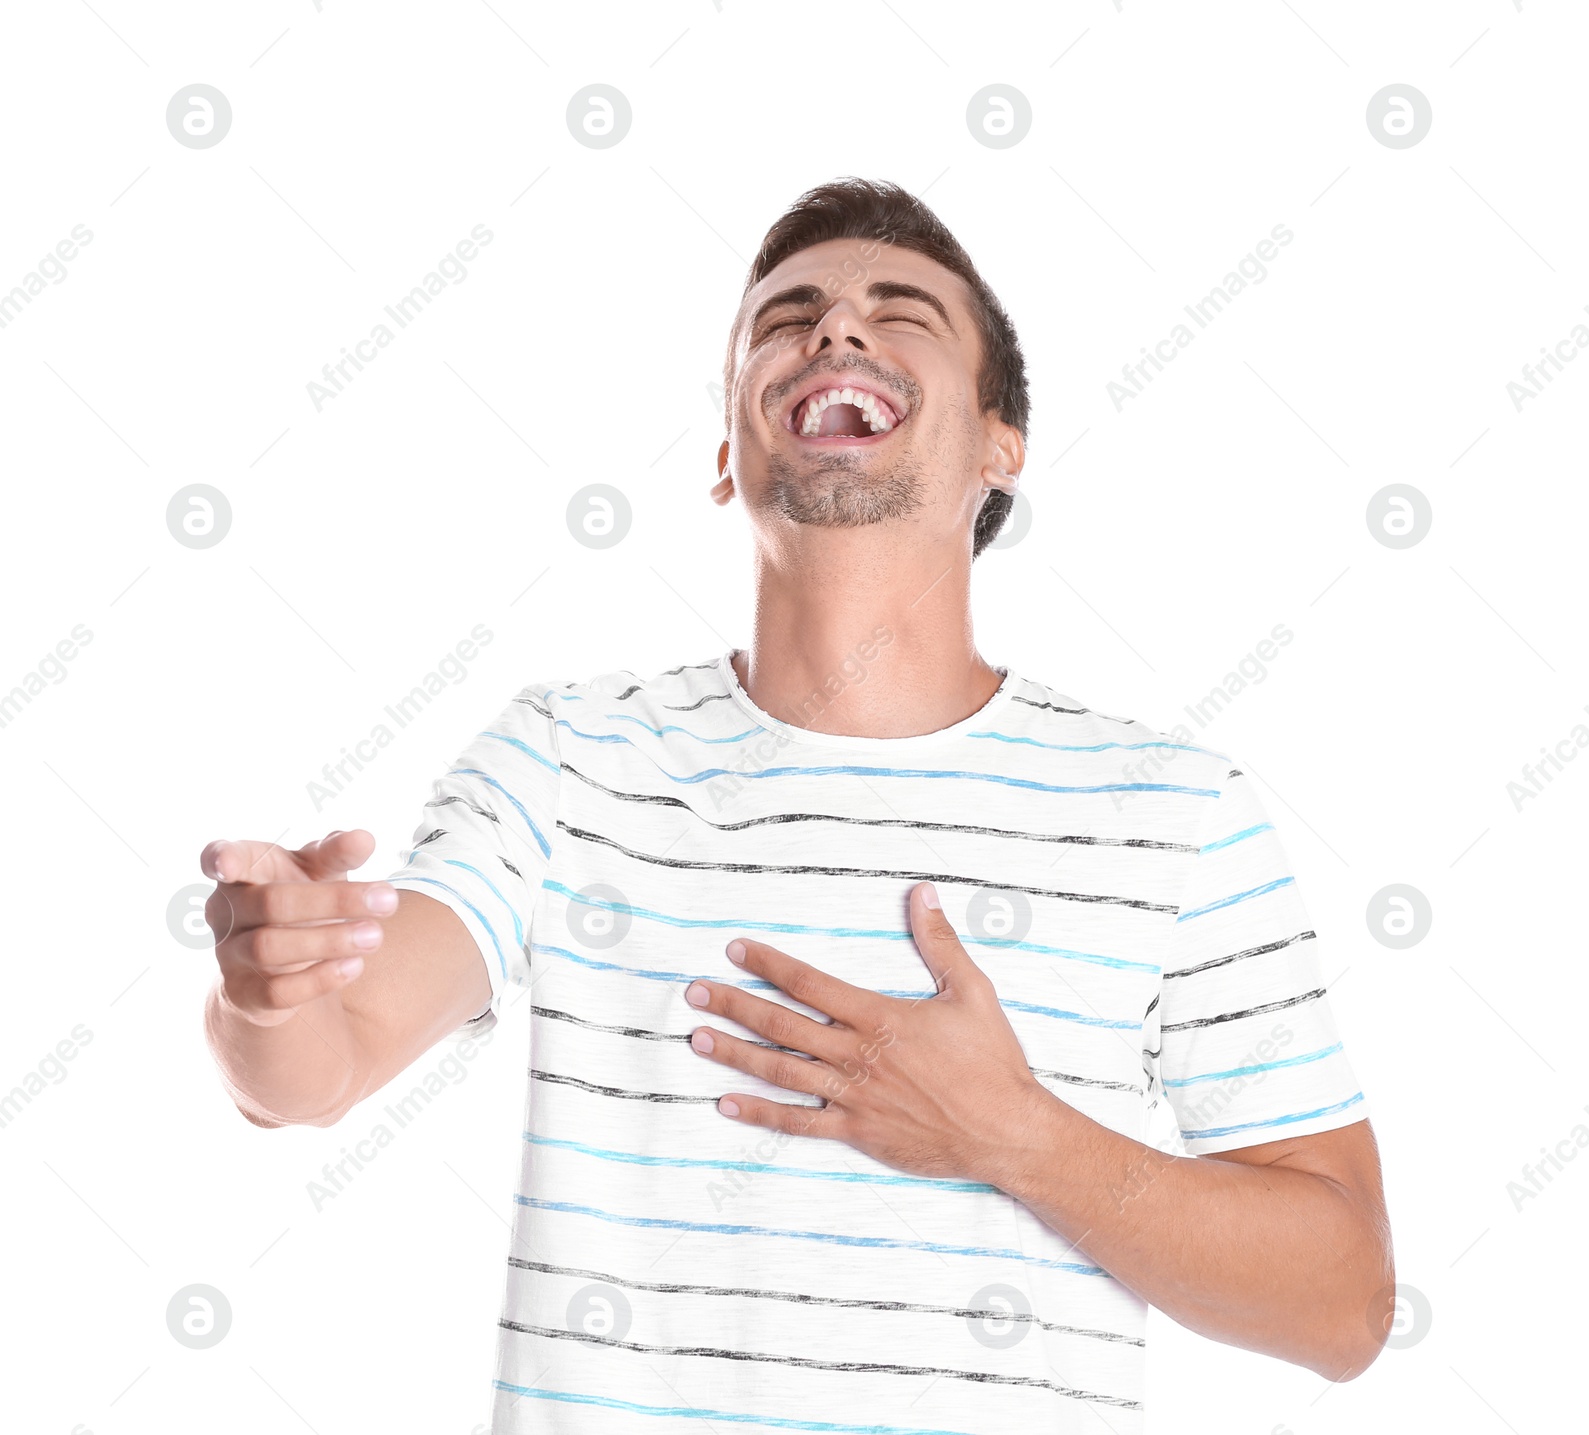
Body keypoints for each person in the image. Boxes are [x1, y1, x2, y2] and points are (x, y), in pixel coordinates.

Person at [200, 177, 1393, 1434]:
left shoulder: (1175, 814)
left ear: (1000, 445)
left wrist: (1014, 1134)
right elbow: (315, 1070)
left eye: (900, 311)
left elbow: (1344, 1305)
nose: (833, 330)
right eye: (787, 318)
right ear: (728, 450)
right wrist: (264, 992)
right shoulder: (567, 758)